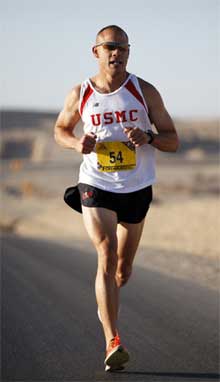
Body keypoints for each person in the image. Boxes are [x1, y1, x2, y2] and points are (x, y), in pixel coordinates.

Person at [54, 25, 179, 372]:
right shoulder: (80, 93)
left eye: (123, 48)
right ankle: (113, 340)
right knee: (106, 254)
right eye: (110, 47)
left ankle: (112, 292)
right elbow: (60, 130)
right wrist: (76, 143)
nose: (117, 53)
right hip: (95, 183)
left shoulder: (144, 92)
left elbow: (173, 140)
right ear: (96, 52)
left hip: (136, 188)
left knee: (122, 270)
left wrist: (149, 137)